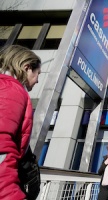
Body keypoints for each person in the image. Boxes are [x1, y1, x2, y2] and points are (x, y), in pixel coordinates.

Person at [0, 45, 41, 200]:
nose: (38, 81)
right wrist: (10, 194)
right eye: (38, 74)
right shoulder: (11, 90)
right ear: (27, 67)